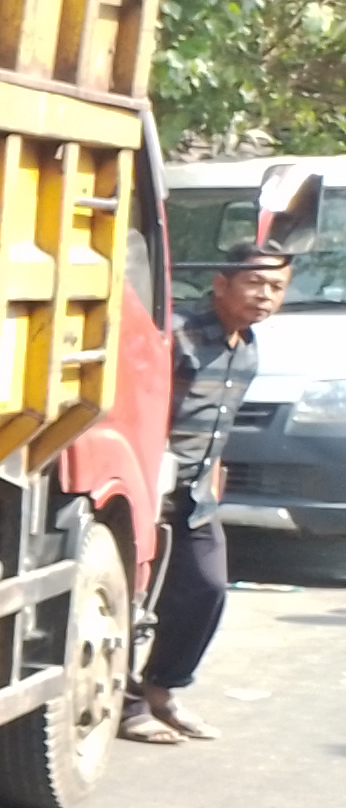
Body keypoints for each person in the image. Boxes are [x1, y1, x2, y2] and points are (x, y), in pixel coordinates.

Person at [125, 235, 289, 744]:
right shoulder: (177, 336)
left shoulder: (247, 346)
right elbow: (139, 414)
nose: (265, 294)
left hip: (195, 497)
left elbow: (219, 426)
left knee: (206, 589)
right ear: (221, 284)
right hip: (144, 490)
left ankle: (162, 690)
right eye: (254, 282)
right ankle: (126, 706)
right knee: (130, 598)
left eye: (276, 286)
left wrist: (212, 479)